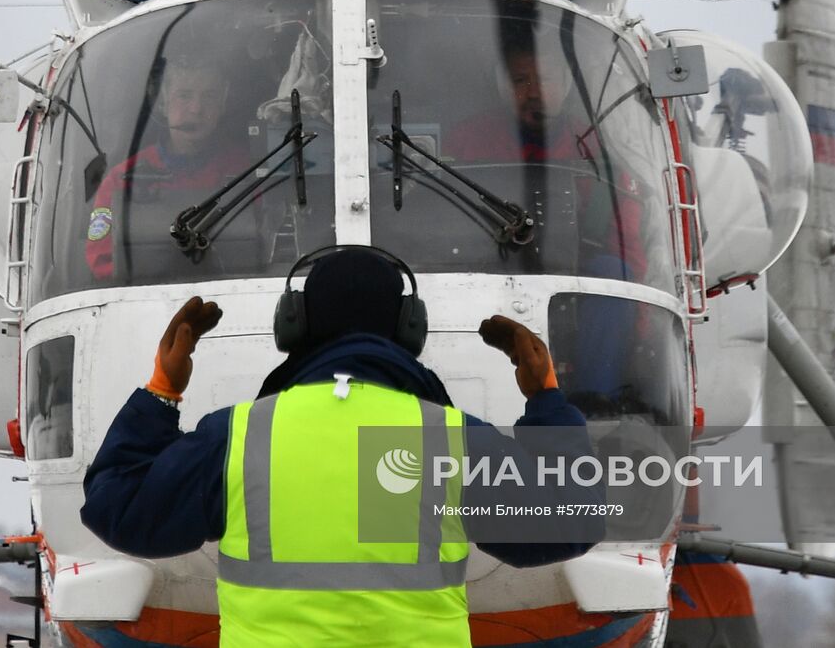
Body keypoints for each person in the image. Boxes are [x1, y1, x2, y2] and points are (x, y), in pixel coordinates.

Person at [81, 246, 600, 647]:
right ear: (408, 329)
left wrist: (162, 391)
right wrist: (545, 398)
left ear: (296, 327)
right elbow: (573, 517)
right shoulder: (449, 440)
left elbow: (117, 507)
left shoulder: (237, 436)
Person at [447, 39, 648, 281]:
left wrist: (640, 316)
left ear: (566, 85)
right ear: (503, 87)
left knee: (615, 270)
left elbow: (627, 248)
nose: (534, 92)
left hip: (572, 281)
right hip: (481, 270)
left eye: (544, 80)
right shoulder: (466, 140)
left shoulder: (595, 148)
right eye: (520, 80)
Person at [85, 57, 252, 281]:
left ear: (223, 105)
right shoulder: (122, 179)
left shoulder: (247, 171)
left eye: (209, 96)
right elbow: (102, 262)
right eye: (184, 95)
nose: (196, 109)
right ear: (163, 103)